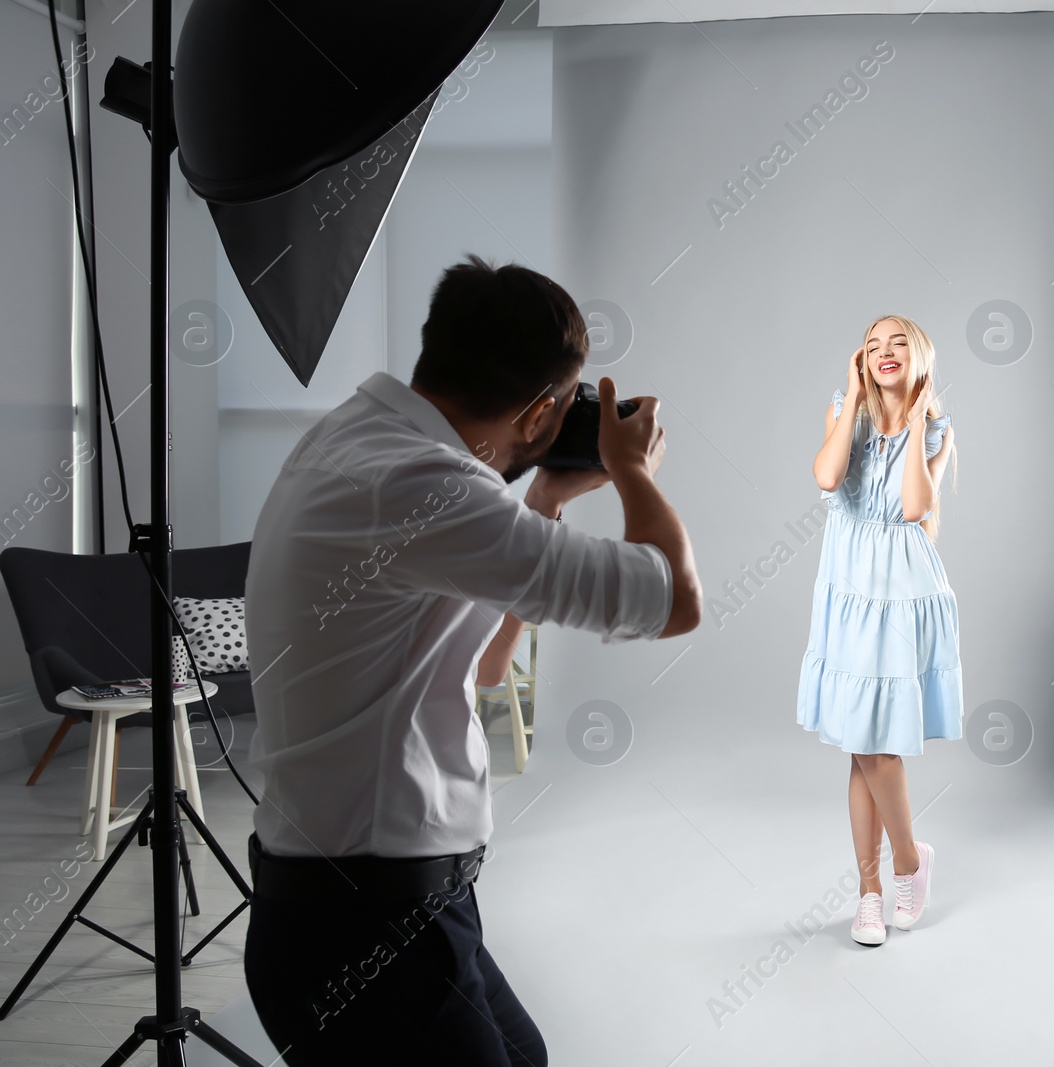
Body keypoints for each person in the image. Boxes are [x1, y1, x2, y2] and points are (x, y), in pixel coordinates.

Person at [241, 254, 702, 1066]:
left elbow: (482, 666)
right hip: (366, 931)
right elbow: (673, 600)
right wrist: (631, 467)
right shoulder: (434, 487)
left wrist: (548, 501)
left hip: (383, 910)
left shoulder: (357, 434)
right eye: (563, 405)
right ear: (540, 411)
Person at [798, 314, 961, 947]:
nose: (884, 352)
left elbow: (917, 508)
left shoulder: (938, 428)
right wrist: (856, 399)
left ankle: (906, 867)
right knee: (857, 743)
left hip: (901, 593)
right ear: (861, 361)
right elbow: (827, 476)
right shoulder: (847, 409)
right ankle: (873, 889)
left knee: (877, 746)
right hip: (847, 589)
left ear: (920, 356)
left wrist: (917, 425)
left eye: (898, 343)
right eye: (873, 345)